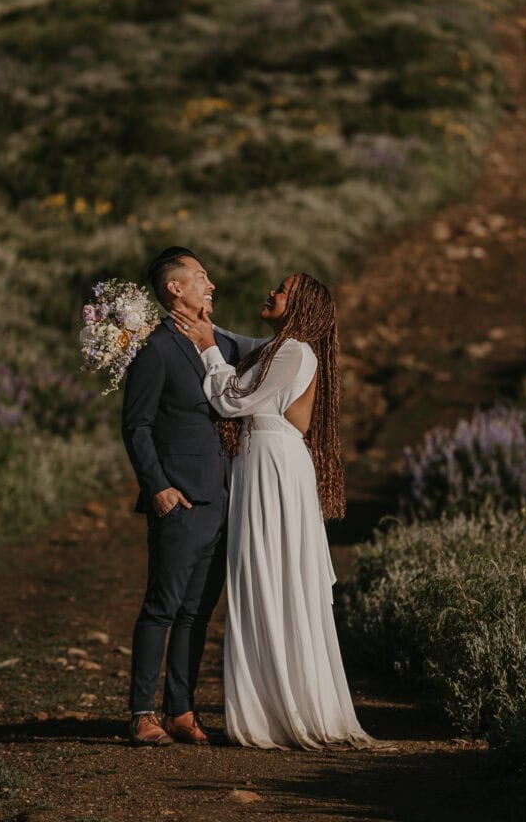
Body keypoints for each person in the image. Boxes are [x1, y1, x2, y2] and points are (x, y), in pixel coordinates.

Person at [172, 273, 375, 749]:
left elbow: (231, 400)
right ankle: (271, 705)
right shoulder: (277, 347)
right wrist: (207, 328)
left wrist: (206, 349)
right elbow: (237, 343)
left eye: (282, 290)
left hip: (271, 466)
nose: (271, 292)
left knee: (268, 574)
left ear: (300, 305)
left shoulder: (295, 352)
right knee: (261, 576)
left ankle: (280, 712)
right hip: (261, 462)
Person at [121, 247, 239, 747]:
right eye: (201, 277)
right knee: (162, 607)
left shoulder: (216, 342)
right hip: (180, 501)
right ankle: (143, 712)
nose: (209, 284)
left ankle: (181, 710)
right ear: (175, 288)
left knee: (198, 612)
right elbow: (137, 425)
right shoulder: (157, 349)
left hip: (220, 499)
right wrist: (160, 488)